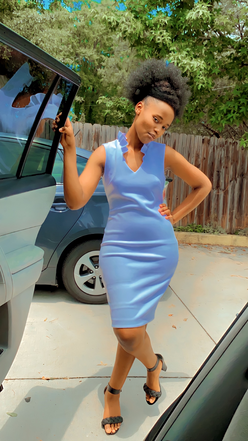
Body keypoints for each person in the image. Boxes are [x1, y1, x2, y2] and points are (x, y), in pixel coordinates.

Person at [53, 59, 212, 436]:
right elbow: (75, 201)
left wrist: (174, 216)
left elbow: (202, 185)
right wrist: (71, 151)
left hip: (159, 252)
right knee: (128, 331)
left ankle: (113, 392)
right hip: (120, 252)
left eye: (166, 125)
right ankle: (153, 366)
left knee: (132, 328)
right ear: (139, 106)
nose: (158, 129)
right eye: (156, 119)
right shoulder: (105, 154)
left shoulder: (164, 155)